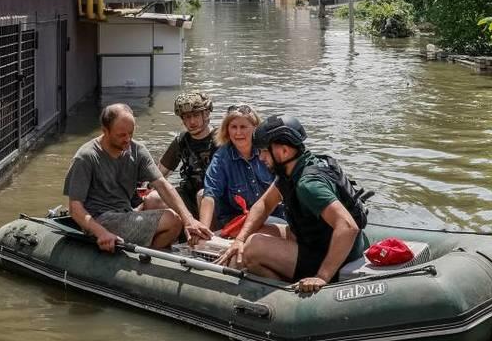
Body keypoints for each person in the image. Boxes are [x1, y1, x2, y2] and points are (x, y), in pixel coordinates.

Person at [216, 115, 368, 294]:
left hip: (336, 257)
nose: (261, 157)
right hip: (319, 241)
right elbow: (264, 204)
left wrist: (322, 276)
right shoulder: (294, 169)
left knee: (253, 248)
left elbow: (348, 227)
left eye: (264, 151)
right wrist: (239, 240)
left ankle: (288, 295)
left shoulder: (308, 184)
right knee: (258, 232)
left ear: (284, 151)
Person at [63, 103, 212, 253]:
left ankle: (145, 255)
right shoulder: (86, 157)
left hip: (126, 212)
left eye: (131, 133)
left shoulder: (137, 150)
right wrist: (101, 232)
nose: (127, 139)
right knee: (172, 220)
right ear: (105, 131)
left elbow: (162, 184)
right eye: (121, 135)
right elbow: (75, 208)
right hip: (100, 219)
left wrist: (189, 219)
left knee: (164, 207)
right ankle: (149, 254)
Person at [202, 104, 285, 231]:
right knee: (201, 194)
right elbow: (210, 194)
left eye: (243, 127)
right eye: (233, 127)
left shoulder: (270, 152)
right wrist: (203, 230)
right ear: (227, 130)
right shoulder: (222, 157)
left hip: (274, 217)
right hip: (237, 220)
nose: (238, 132)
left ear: (255, 128)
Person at [140, 92, 217, 229]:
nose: (191, 122)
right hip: (188, 195)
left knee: (203, 195)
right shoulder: (181, 141)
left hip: (215, 199)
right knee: (152, 199)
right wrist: (146, 190)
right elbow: (160, 173)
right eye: (187, 117)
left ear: (205, 115)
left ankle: (206, 239)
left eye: (195, 115)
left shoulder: (219, 140)